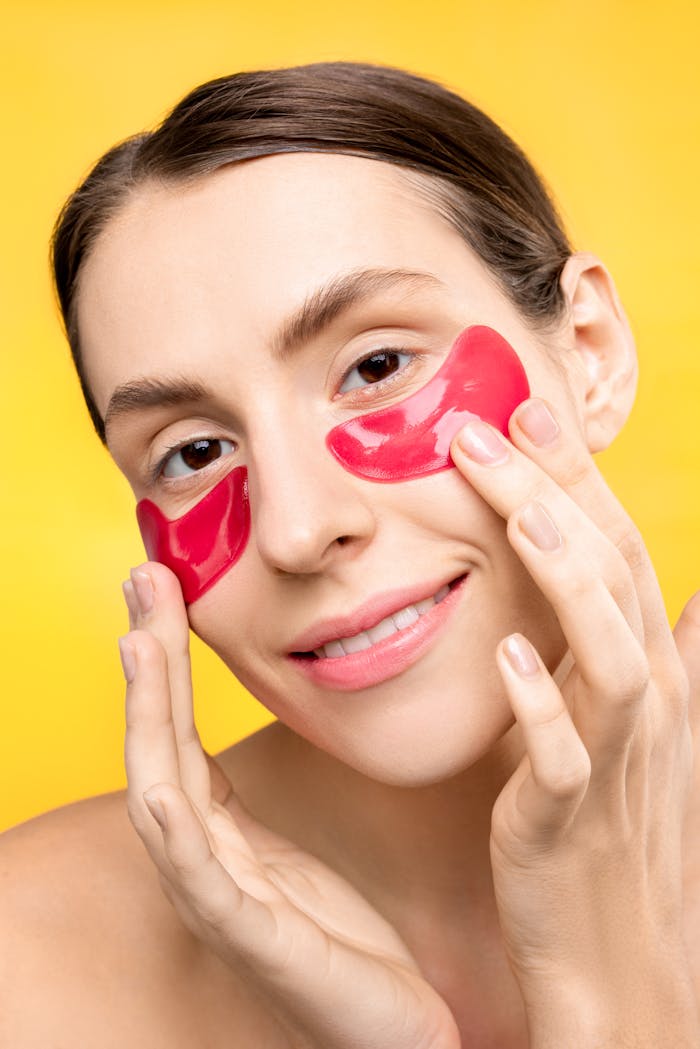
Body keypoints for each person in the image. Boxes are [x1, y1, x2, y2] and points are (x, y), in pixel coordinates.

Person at [1, 60, 699, 1048]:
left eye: (376, 366)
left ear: (587, 348)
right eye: (195, 452)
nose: (294, 528)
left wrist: (615, 982)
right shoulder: (22, 966)